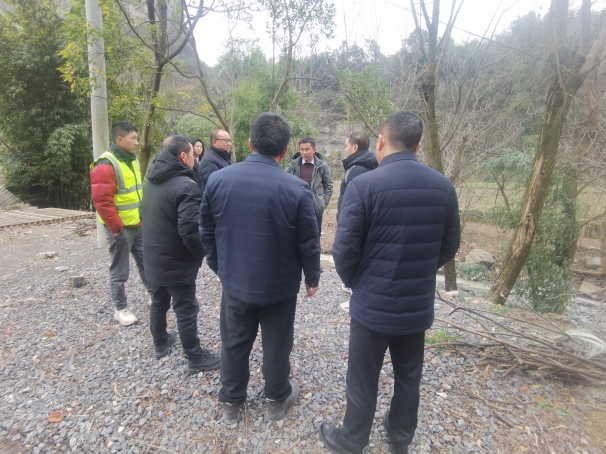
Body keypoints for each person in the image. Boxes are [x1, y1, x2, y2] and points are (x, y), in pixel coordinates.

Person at [320, 111, 460, 454]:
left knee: (363, 376)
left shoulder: (364, 185)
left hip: (373, 304)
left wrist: (358, 282)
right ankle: (400, 438)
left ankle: (353, 440)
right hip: (416, 303)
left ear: (381, 141)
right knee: (409, 375)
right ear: (418, 145)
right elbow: (450, 245)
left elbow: (344, 250)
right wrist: (420, 270)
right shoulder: (443, 186)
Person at [200, 113, 321, 424]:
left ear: (250, 143)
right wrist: (312, 276)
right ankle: (276, 397)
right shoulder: (297, 188)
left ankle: (231, 402)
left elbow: (206, 231)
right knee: (277, 344)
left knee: (234, 341)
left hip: (236, 280)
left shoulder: (219, 179)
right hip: (279, 285)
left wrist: (220, 266)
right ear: (285, 151)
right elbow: (308, 241)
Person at [142, 135, 221, 373]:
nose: (195, 158)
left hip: (152, 255)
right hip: (176, 259)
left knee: (159, 301)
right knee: (185, 307)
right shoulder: (187, 186)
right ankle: (195, 356)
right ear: (183, 156)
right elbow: (190, 231)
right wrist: (199, 254)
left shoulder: (150, 180)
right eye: (192, 154)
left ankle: (160, 342)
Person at [90, 121, 149, 326]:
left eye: (137, 138)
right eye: (133, 138)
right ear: (120, 139)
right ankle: (120, 308)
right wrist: (116, 227)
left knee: (146, 262)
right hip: (120, 228)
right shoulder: (105, 165)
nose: (136, 142)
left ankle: (155, 294)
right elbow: (102, 201)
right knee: (120, 270)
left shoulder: (132, 160)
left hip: (137, 224)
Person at [286, 137, 333, 237]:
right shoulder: (293, 165)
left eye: (307, 149)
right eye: (302, 149)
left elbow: (329, 185)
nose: (304, 152)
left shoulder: (322, 166)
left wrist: (322, 203)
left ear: (314, 150)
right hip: (296, 207)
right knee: (296, 235)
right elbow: (285, 182)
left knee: (315, 235)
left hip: (315, 207)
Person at [336, 131, 377, 224]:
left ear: (354, 148)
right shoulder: (371, 164)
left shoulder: (356, 170)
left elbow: (353, 205)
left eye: (346, 146)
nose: (345, 150)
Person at [198, 130, 233, 195]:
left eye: (229, 141)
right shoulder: (209, 161)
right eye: (226, 140)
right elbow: (215, 187)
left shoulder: (226, 157)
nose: (229, 144)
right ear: (214, 142)